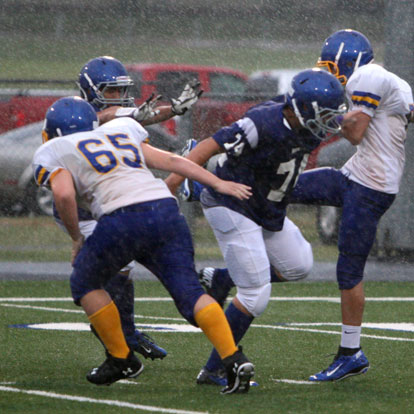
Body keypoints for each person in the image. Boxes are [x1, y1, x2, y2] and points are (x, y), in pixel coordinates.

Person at [32, 96, 255, 393]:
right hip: (165, 212)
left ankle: (121, 357)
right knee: (189, 293)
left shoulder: (54, 149)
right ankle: (233, 358)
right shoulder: (121, 130)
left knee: (85, 282)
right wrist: (217, 183)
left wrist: (76, 238)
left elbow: (63, 195)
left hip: (122, 219)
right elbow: (173, 161)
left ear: (52, 132)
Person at [165, 68, 348, 386]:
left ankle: (221, 279)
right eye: (326, 115)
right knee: (254, 294)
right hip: (233, 204)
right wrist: (171, 184)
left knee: (298, 265)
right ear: (304, 110)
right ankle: (216, 368)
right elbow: (210, 145)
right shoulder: (261, 123)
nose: (331, 123)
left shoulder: (299, 118)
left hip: (264, 206)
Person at [53, 56, 202, 361]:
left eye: (121, 89)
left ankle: (123, 335)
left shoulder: (118, 116)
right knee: (109, 270)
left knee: (119, 267)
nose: (118, 96)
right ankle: (121, 340)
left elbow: (127, 114)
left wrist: (170, 109)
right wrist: (163, 110)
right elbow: (112, 115)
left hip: (109, 203)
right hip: (81, 207)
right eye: (110, 90)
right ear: (90, 90)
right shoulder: (77, 114)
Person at [286, 29, 414, 382]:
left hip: (370, 187)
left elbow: (356, 133)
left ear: (347, 60)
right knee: (284, 186)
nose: (330, 73)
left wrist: (323, 117)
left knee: (348, 270)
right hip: (354, 176)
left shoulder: (367, 76)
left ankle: (351, 352)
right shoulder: (390, 81)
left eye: (331, 66)